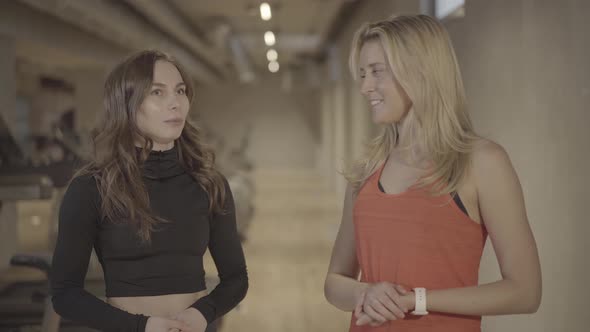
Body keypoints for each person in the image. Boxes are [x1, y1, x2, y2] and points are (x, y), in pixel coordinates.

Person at [324, 15, 541, 332]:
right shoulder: (366, 172)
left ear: (419, 72)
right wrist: (364, 292)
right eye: (361, 74)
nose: (365, 87)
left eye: (376, 72)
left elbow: (525, 292)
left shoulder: (481, 163)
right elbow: (333, 283)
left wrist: (417, 300)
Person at [50, 50, 248, 332]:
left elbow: (236, 278)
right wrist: (142, 326)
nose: (175, 103)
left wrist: (204, 313)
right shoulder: (91, 188)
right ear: (127, 104)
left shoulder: (209, 184)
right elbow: (65, 294)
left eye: (180, 91)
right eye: (157, 92)